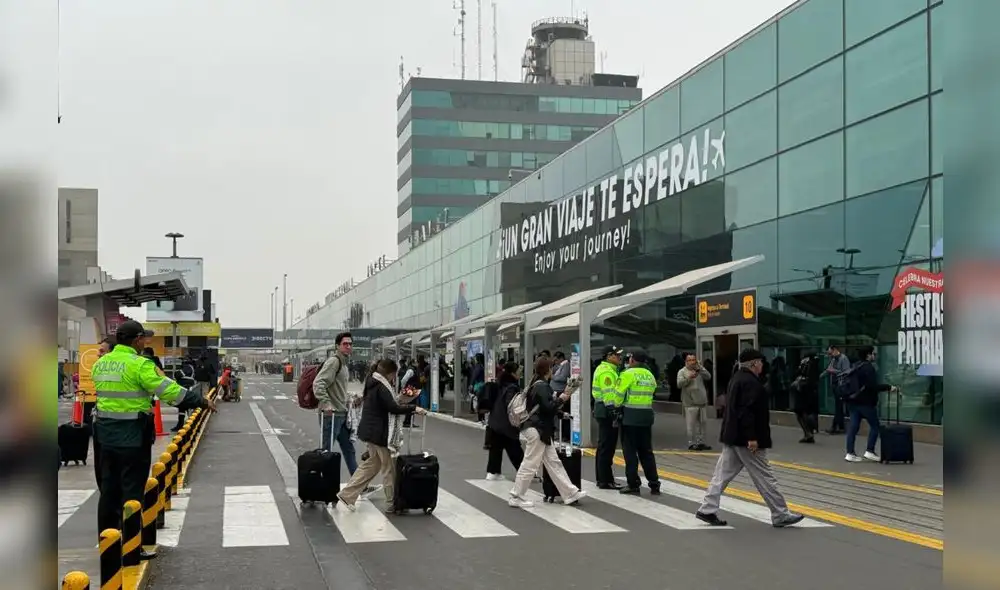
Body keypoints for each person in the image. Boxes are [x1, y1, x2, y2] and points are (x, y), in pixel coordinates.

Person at [93, 320, 216, 541]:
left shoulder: (101, 363)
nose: (146, 342)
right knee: (132, 490)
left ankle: (106, 541)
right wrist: (200, 401)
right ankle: (131, 544)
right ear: (137, 340)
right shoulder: (140, 364)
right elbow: (168, 391)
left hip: (104, 436)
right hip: (132, 436)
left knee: (109, 490)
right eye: (144, 338)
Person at [696, 349, 803, 528]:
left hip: (732, 436)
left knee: (721, 475)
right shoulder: (750, 383)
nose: (762, 365)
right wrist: (752, 437)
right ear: (753, 363)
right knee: (765, 476)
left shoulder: (737, 378)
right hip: (746, 439)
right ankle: (780, 513)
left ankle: (707, 509)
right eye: (760, 362)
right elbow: (747, 411)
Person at [337, 358, 422, 511]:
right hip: (379, 433)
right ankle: (392, 503)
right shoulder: (382, 387)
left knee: (372, 465)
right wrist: (413, 407)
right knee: (388, 468)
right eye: (394, 375)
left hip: (371, 431)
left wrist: (400, 401)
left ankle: (347, 495)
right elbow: (392, 407)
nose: (393, 378)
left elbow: (386, 405)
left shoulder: (372, 382)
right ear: (390, 374)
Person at [508, 357, 586, 509]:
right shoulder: (542, 386)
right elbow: (547, 407)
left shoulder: (536, 384)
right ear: (548, 370)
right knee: (530, 463)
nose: (554, 370)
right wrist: (564, 397)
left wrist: (559, 409)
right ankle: (516, 496)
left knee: (553, 462)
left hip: (539, 429)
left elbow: (543, 407)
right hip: (537, 429)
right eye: (552, 368)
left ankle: (570, 493)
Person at [615, 351, 661, 495]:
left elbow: (618, 395)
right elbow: (653, 391)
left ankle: (633, 483)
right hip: (646, 416)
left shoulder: (627, 374)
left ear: (632, 360)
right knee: (646, 451)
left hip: (630, 417)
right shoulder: (650, 375)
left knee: (630, 452)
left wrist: (617, 406)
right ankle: (654, 483)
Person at [313, 332, 358, 476]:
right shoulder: (334, 362)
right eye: (345, 344)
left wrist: (350, 397)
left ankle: (359, 485)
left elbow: (337, 388)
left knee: (349, 449)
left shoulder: (344, 364)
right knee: (326, 451)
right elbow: (318, 383)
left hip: (342, 414)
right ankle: (319, 484)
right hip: (331, 415)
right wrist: (326, 404)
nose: (348, 346)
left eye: (350, 344)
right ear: (337, 346)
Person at [844, 346, 898, 463]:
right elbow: (872, 386)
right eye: (873, 354)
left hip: (852, 401)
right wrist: (888, 387)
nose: (875, 356)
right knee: (875, 426)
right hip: (866, 403)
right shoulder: (869, 368)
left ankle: (850, 453)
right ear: (868, 355)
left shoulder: (856, 365)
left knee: (853, 427)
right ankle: (870, 451)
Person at [484, 362, 525, 480]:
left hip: (494, 421)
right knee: (514, 448)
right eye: (518, 372)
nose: (520, 374)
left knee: (495, 448)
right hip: (506, 423)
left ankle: (493, 473)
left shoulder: (499, 383)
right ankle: (525, 473)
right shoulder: (512, 387)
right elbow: (511, 405)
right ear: (512, 373)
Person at [591, 345, 624, 490]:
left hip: (602, 410)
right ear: (609, 356)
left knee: (604, 445)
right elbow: (609, 394)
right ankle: (605, 480)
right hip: (607, 411)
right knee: (607, 446)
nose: (619, 358)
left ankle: (604, 478)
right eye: (617, 355)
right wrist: (614, 411)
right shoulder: (607, 372)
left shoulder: (606, 369)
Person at [677, 353, 712, 451]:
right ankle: (691, 443)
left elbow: (708, 376)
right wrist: (689, 378)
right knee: (691, 424)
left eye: (694, 360)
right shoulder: (682, 372)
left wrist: (701, 368)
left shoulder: (699, 370)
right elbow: (679, 384)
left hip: (702, 401)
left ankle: (700, 442)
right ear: (686, 362)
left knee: (702, 423)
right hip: (690, 402)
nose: (692, 362)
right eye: (690, 360)